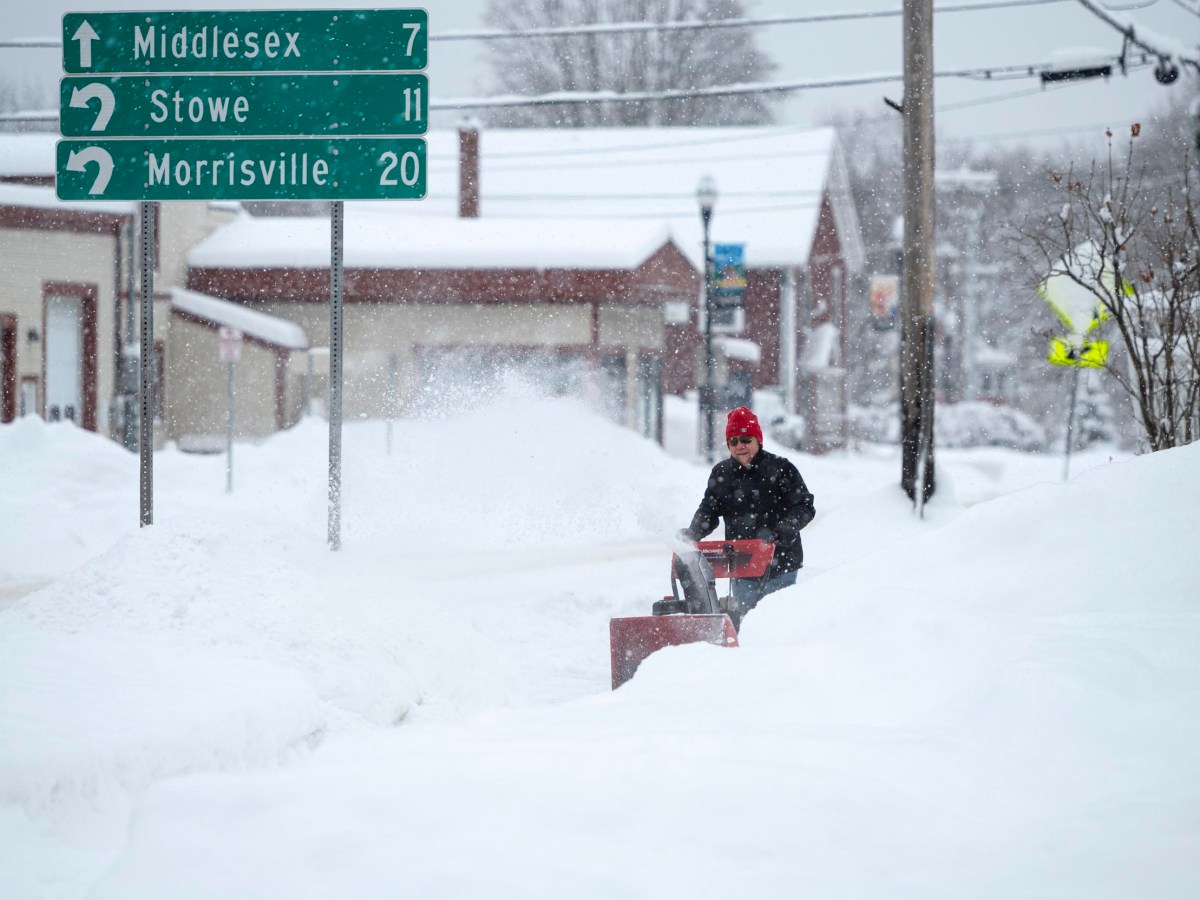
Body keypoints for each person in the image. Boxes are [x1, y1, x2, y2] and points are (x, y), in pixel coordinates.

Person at [679, 406, 815, 629]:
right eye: (733, 441)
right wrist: (694, 531)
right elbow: (709, 511)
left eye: (745, 439)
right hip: (743, 565)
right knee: (747, 624)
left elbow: (805, 506)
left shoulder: (781, 469)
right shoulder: (722, 474)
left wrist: (789, 525)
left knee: (778, 624)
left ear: (758, 440)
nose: (740, 445)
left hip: (781, 562)